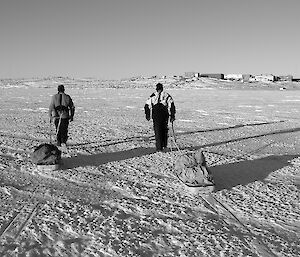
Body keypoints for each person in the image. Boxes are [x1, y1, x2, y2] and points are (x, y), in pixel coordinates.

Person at [144, 83, 176, 151]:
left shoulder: (166, 95)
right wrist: (148, 114)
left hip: (163, 114)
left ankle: (163, 145)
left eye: (160, 89)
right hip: (156, 114)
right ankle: (159, 147)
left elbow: (172, 105)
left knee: (164, 130)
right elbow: (147, 105)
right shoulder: (153, 95)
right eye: (158, 89)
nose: (159, 90)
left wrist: (172, 115)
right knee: (158, 130)